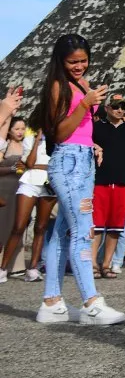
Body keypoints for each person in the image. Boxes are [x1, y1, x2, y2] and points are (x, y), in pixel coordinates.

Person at [33, 33, 125, 325]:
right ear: (61, 61)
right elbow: (59, 133)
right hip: (68, 162)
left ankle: (52, 302)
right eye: (73, 61)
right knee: (83, 229)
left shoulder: (79, 84)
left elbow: (82, 128)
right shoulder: (58, 86)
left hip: (83, 159)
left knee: (63, 231)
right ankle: (91, 302)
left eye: (84, 61)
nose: (79, 66)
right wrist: (86, 104)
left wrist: (92, 144)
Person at [88, 94, 125, 278]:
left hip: (123, 183)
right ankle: (92, 264)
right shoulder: (95, 128)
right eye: (115, 106)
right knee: (97, 225)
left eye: (122, 106)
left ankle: (106, 264)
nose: (119, 109)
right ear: (107, 108)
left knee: (116, 227)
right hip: (99, 182)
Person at [2, 119, 54, 282]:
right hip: (30, 182)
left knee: (41, 227)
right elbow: (30, 163)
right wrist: (37, 141)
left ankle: (32, 268)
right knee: (19, 226)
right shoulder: (30, 139)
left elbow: (54, 164)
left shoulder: (57, 140)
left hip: (48, 184)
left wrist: (40, 166)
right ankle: (3, 268)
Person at [0, 108, 26, 280]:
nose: (20, 132)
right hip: (4, 187)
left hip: (21, 187)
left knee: (18, 226)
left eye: (23, 128)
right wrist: (12, 169)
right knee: (3, 225)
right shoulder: (5, 145)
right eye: (17, 129)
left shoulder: (27, 144)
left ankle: (16, 265)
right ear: (9, 130)